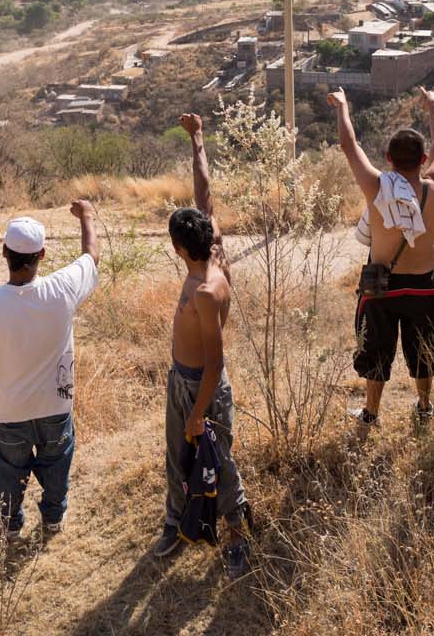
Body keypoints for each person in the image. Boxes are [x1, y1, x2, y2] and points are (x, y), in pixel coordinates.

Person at [0, 203, 100, 540]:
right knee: (56, 466)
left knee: (10, 473)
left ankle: (10, 528)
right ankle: (53, 520)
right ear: (43, 254)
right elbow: (92, 256)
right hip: (56, 407)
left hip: (8, 413)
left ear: (4, 253)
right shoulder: (63, 288)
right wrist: (87, 216)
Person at [150, 112, 251, 579]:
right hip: (180, 379)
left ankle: (237, 538)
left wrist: (197, 410)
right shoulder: (213, 245)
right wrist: (198, 140)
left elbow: (216, 362)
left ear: (178, 247)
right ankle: (176, 521)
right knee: (177, 456)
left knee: (220, 462)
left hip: (201, 386)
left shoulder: (207, 291)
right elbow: (205, 192)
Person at [329, 85, 434, 426]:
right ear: (423, 160)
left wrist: (342, 107)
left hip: (383, 285)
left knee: (376, 352)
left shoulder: (378, 186)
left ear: (388, 158)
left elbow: (348, 146)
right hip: (424, 284)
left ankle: (371, 413)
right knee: (424, 350)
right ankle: (424, 407)